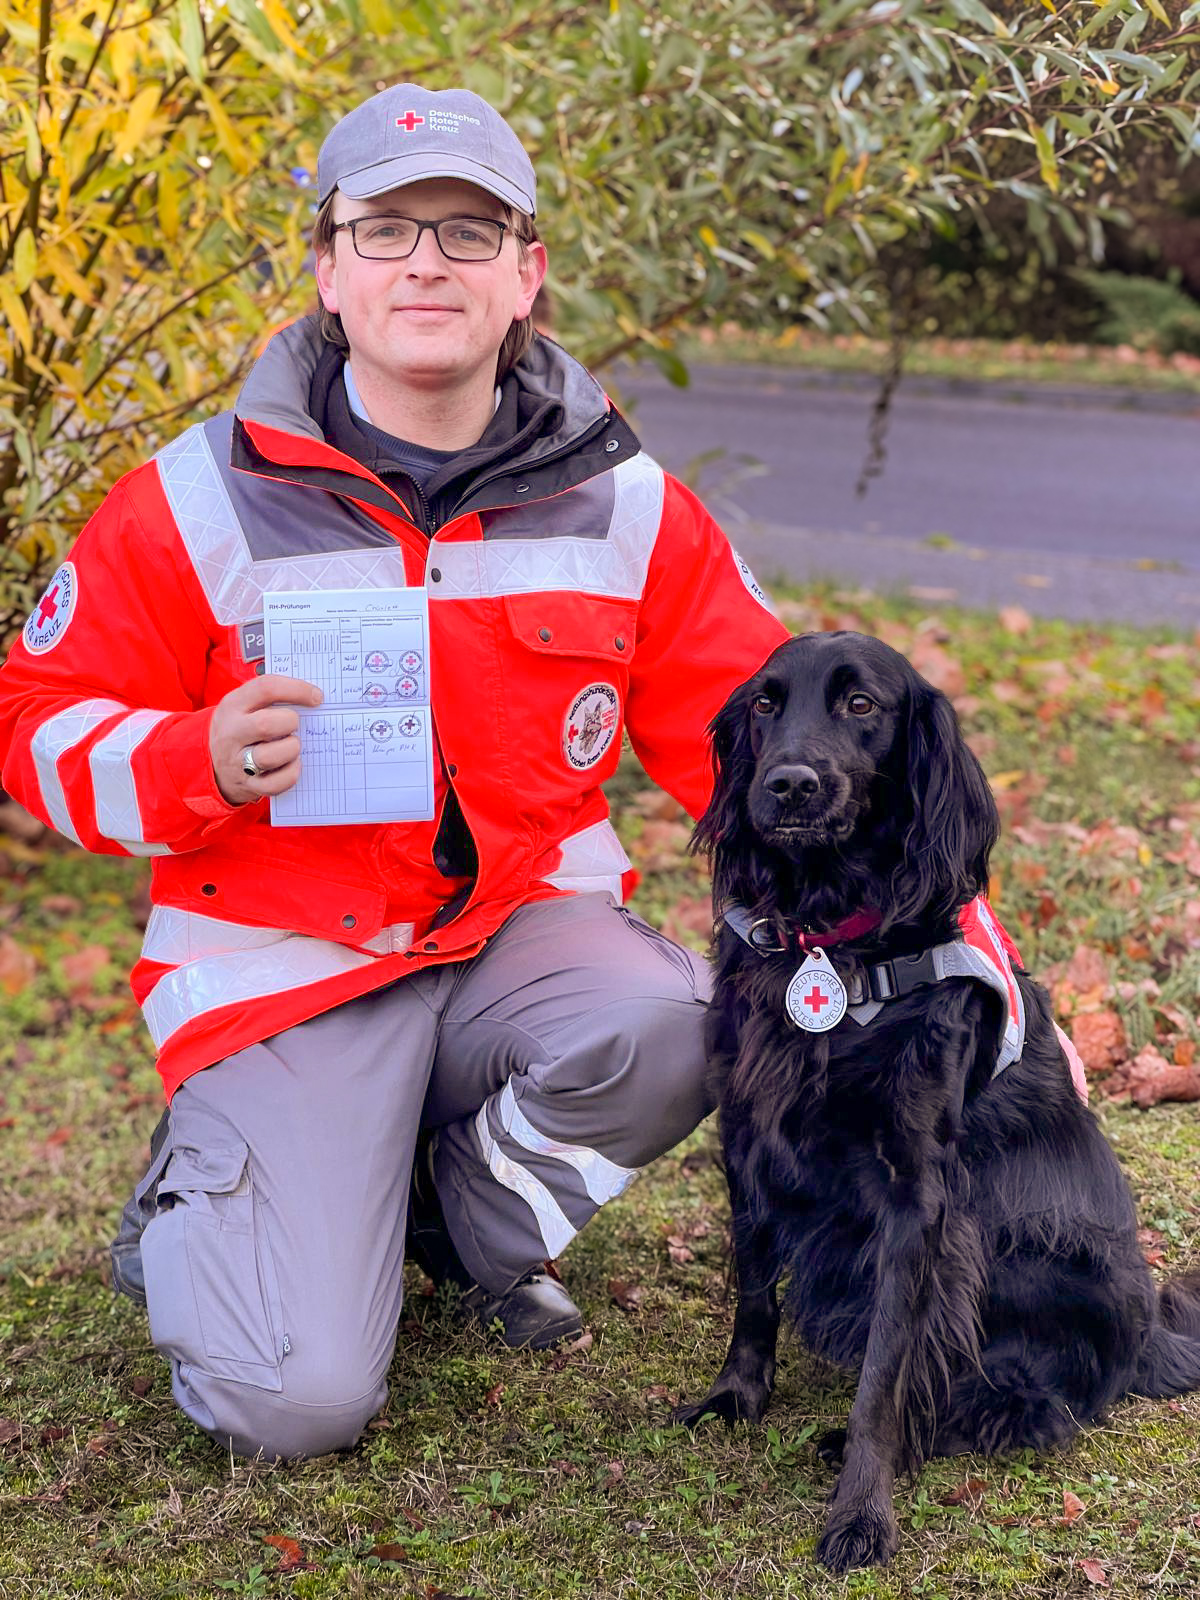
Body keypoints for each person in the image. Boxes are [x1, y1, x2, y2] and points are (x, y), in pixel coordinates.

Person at [0, 84, 789, 1461]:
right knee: (294, 1409)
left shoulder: (626, 500)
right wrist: (195, 758)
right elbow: (35, 721)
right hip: (289, 970)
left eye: (470, 232)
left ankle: (448, 1212)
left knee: (690, 1024)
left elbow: (772, 738)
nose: (427, 261)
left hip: (514, 936)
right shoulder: (194, 498)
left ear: (528, 274)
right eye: (386, 228)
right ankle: (213, 1187)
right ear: (327, 265)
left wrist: (950, 947)